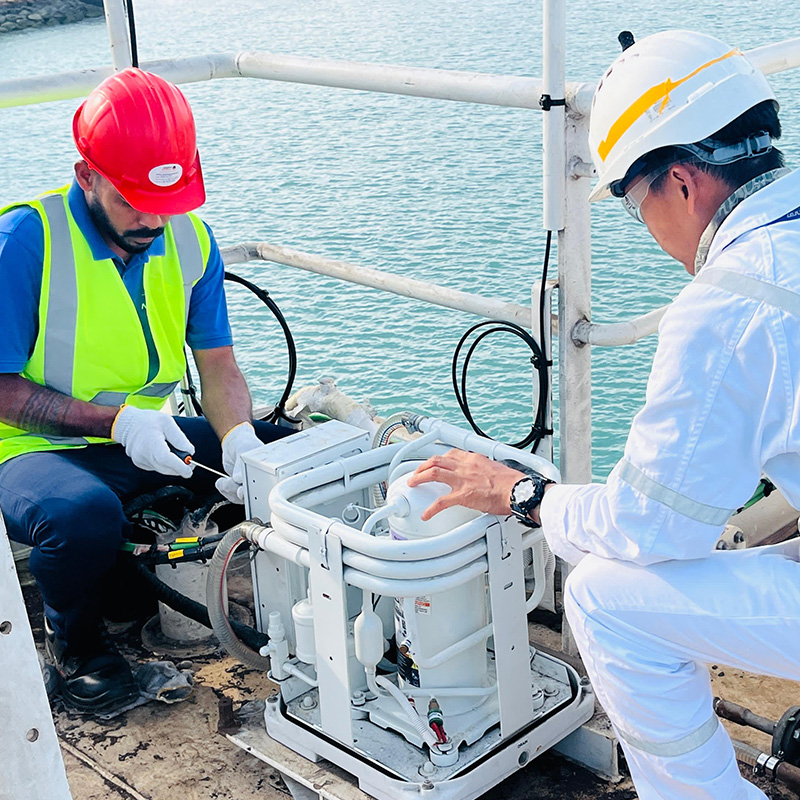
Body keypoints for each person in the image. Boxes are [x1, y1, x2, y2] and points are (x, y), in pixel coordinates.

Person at [409, 30, 800, 800]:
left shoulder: (732, 301)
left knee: (602, 598)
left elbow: (656, 527)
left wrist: (521, 495)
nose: (649, 233)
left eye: (631, 203)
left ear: (682, 183)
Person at [0, 68, 292, 715]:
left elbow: (217, 366)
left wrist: (241, 439)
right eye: (132, 200)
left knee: (290, 455)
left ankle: (301, 615)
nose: (152, 219)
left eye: (168, 200)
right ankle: (76, 649)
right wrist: (117, 423)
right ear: (86, 175)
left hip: (134, 435)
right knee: (82, 517)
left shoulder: (191, 239)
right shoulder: (27, 240)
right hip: (22, 449)